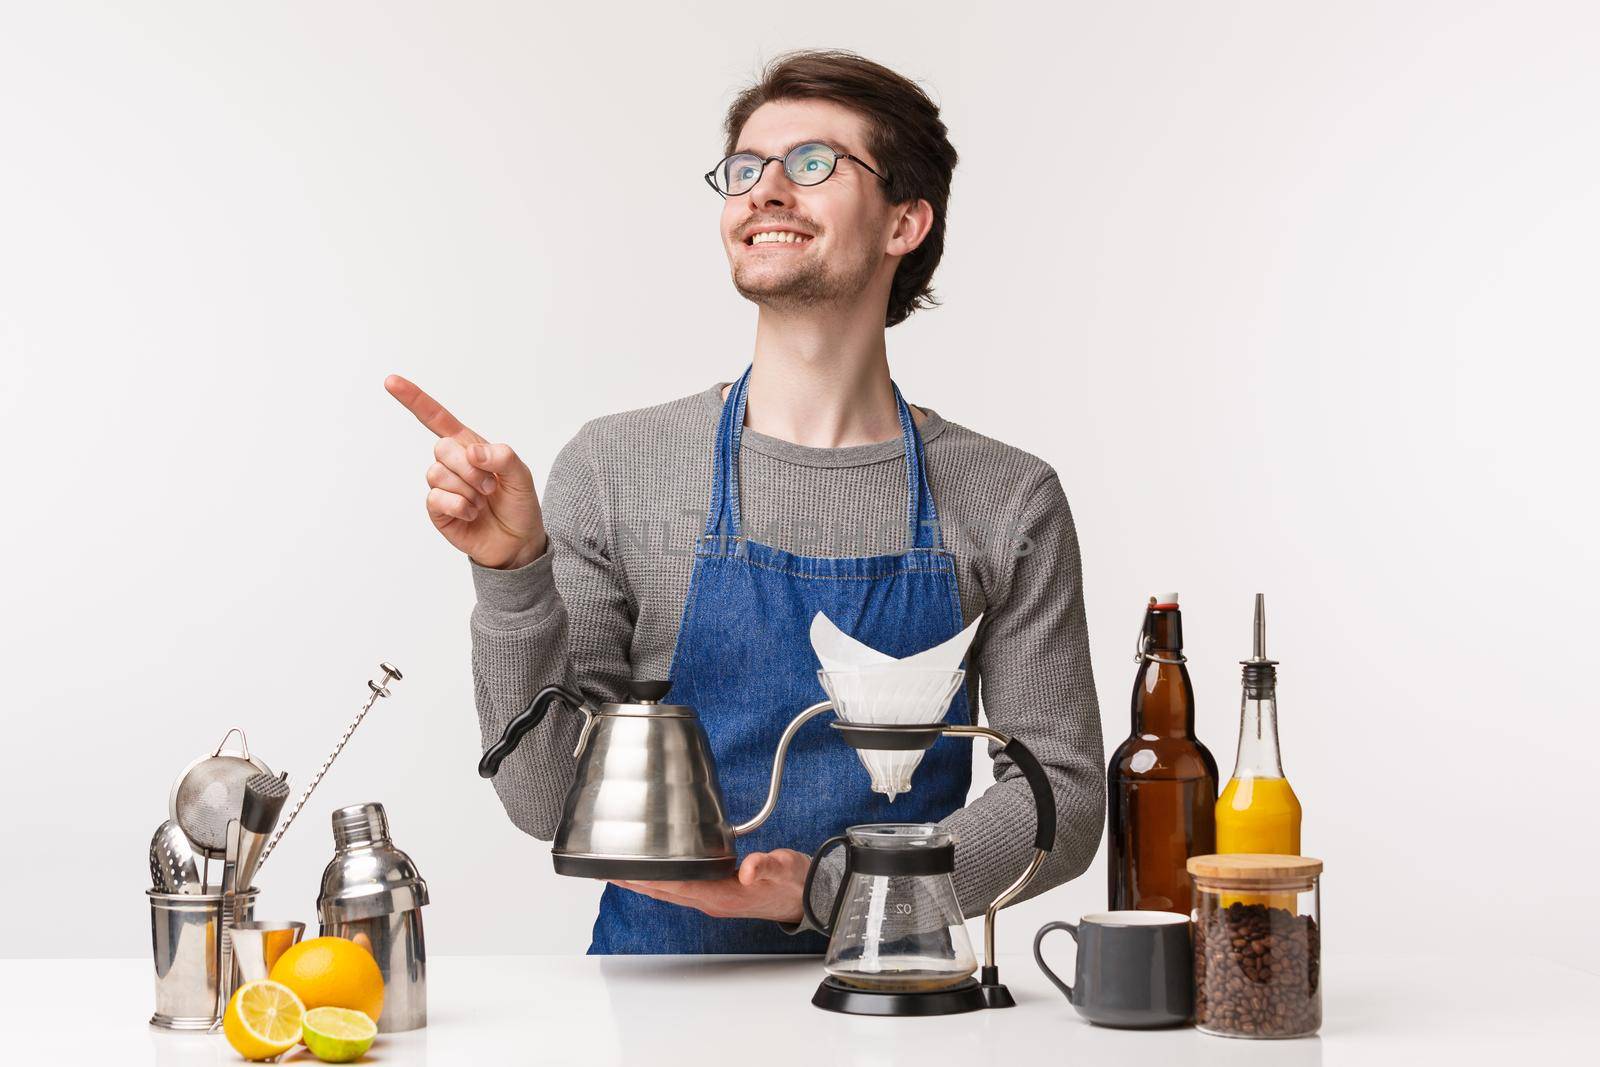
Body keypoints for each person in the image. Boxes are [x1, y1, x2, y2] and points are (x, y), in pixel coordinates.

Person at [388, 50, 1104, 954]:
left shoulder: (1008, 498)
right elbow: (545, 803)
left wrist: (837, 888)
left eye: (812, 163)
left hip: (902, 999)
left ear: (905, 222)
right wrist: (511, 576)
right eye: (745, 169)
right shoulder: (616, 466)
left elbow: (1064, 798)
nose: (765, 189)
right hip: (660, 1006)